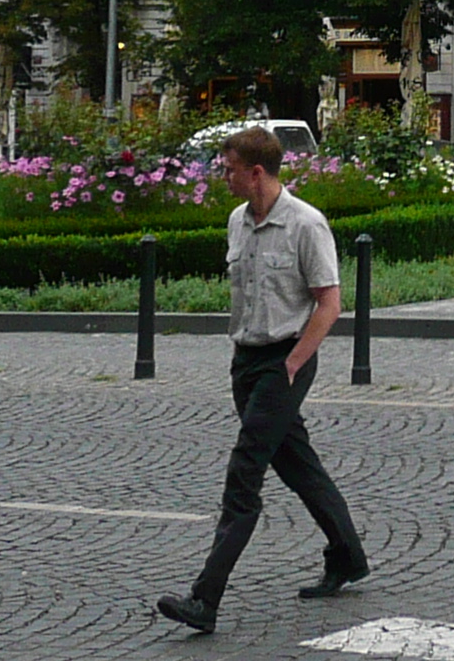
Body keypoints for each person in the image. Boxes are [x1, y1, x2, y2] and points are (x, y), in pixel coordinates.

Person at [157, 126, 367, 634]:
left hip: (285, 361)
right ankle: (348, 556)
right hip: (246, 360)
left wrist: (294, 364)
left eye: (228, 169)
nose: (221, 177)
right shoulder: (237, 221)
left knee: (245, 471)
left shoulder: (305, 224)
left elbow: (330, 303)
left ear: (256, 173)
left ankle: (205, 599)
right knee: (297, 464)